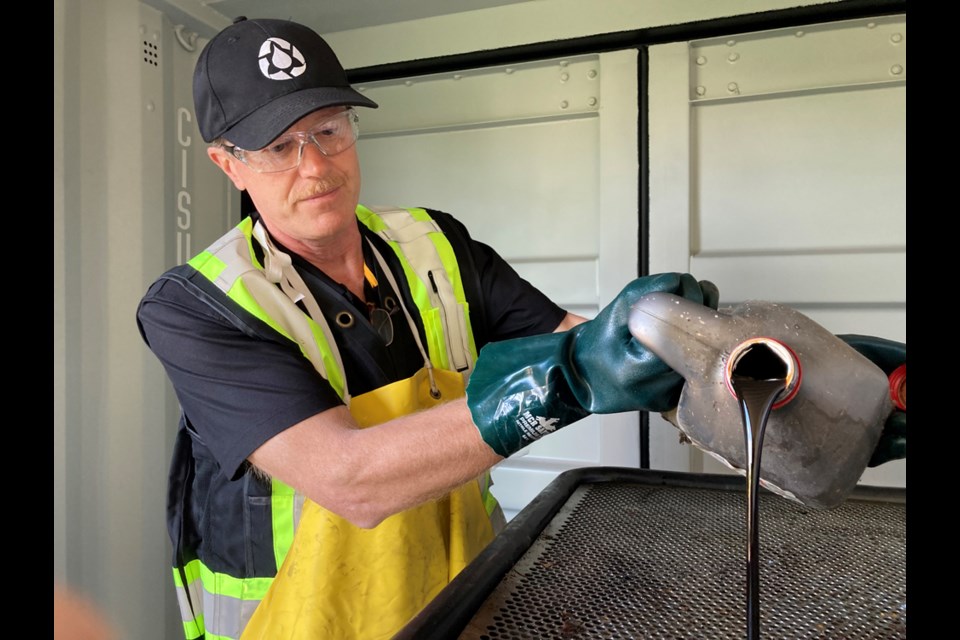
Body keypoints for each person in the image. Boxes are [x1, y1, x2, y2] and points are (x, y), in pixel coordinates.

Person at [136, 17, 905, 640]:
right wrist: (562, 382)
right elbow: (350, 481)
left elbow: (618, 351)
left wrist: (812, 389)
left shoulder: (432, 244)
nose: (315, 166)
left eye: (329, 130)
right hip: (304, 626)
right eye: (278, 146)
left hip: (462, 592)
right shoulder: (198, 307)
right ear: (227, 163)